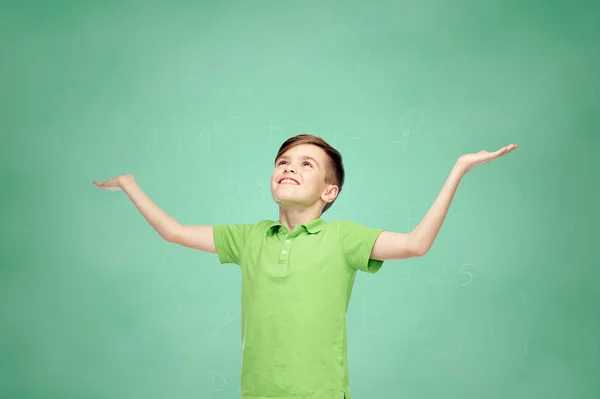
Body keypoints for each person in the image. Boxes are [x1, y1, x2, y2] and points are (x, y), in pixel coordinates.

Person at [93, 134, 517, 399]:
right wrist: (129, 184)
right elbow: (175, 231)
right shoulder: (249, 237)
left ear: (329, 191)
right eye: (283, 163)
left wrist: (458, 170)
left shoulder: (343, 238)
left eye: (305, 164)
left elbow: (415, 244)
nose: (289, 168)